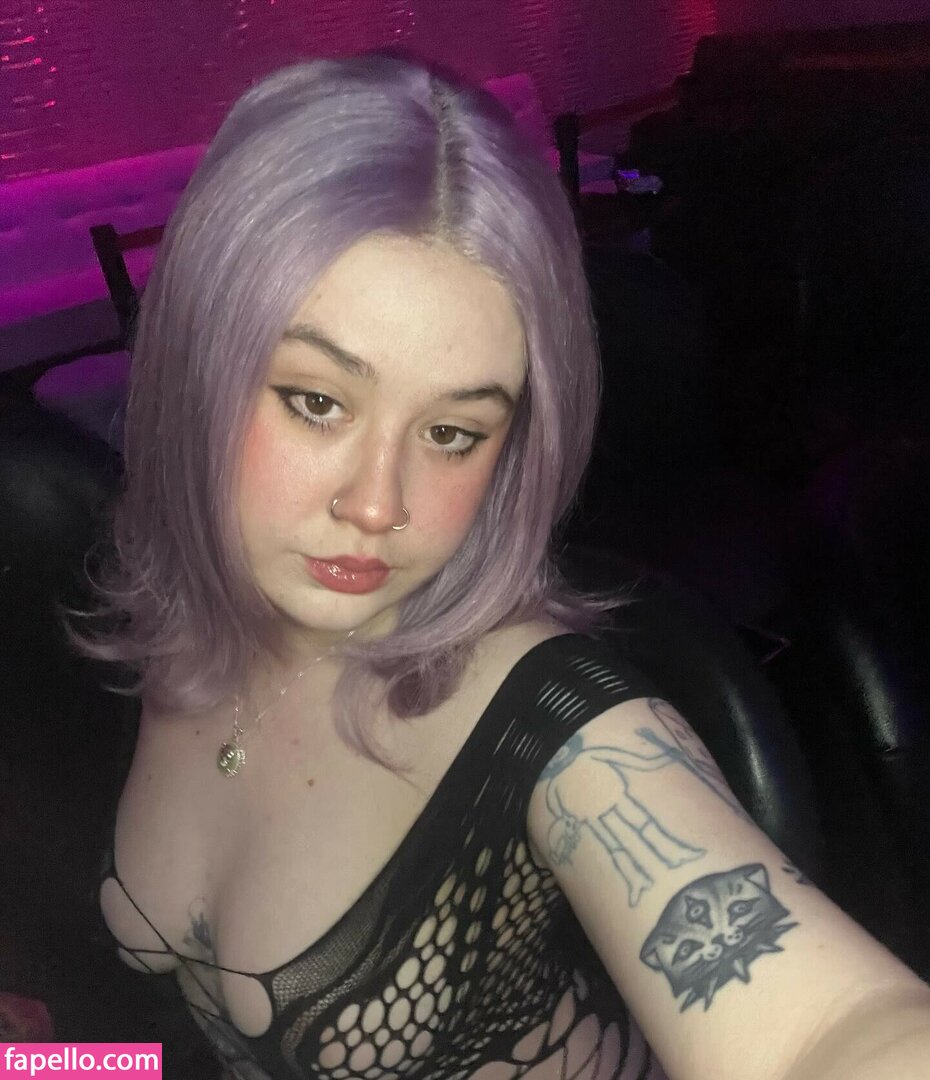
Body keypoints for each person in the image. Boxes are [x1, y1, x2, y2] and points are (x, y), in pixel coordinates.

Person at [75, 54, 930, 1080]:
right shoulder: (168, 620)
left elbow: (831, 1032)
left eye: (452, 433)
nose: (378, 506)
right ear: (198, 372)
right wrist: (49, 1065)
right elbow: (150, 1051)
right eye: (318, 402)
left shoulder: (547, 719)